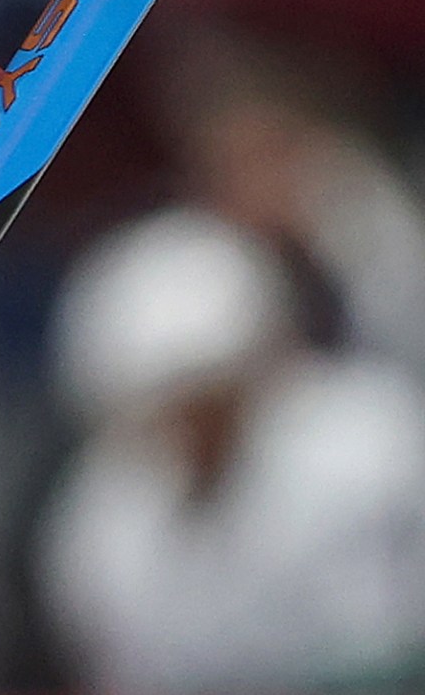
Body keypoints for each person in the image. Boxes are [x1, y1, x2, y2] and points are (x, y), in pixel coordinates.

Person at [39, 206, 425, 692]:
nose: (190, 425)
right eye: (164, 406)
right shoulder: (97, 530)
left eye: (210, 395)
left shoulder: (371, 441)